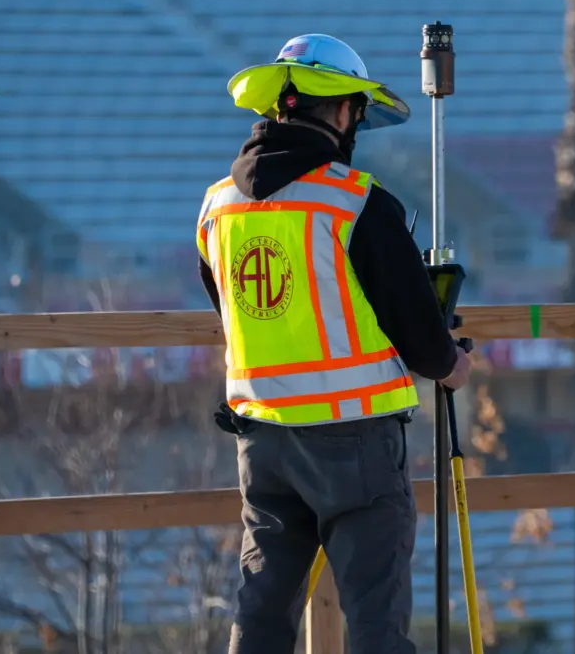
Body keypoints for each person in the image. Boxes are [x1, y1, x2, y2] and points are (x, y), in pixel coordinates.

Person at [194, 33, 472, 654]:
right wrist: (453, 366)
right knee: (375, 618)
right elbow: (418, 332)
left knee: (262, 610)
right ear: (343, 110)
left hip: (262, 437)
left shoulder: (217, 209)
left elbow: (235, 314)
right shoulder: (357, 203)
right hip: (356, 442)